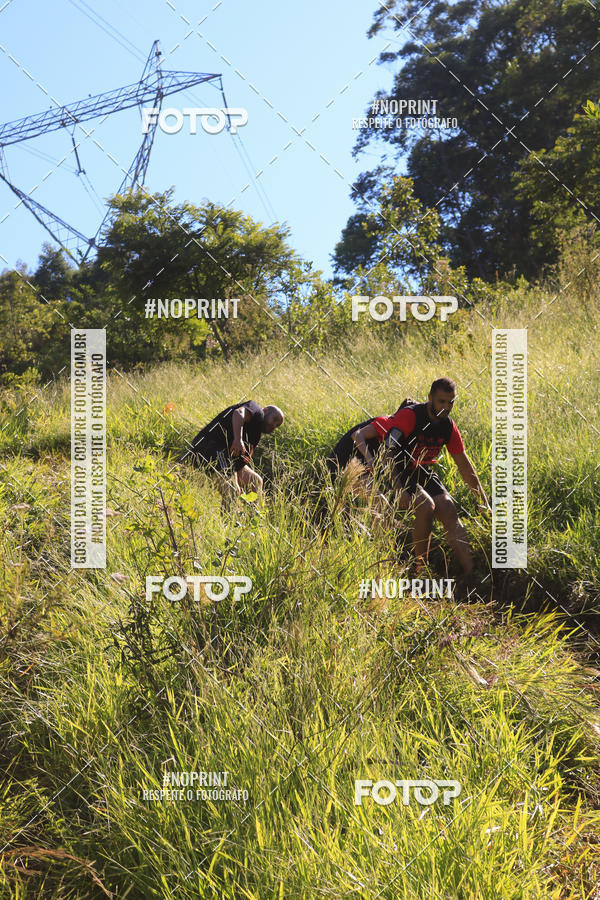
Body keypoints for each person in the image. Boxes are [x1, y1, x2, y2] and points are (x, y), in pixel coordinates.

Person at [350, 378, 490, 574]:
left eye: (451, 402)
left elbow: (465, 466)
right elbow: (387, 453)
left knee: (448, 508)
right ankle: (420, 570)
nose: (446, 407)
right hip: (396, 467)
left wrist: (484, 502)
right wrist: (398, 488)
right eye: (441, 401)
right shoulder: (410, 417)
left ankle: (473, 574)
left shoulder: (448, 426)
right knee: (425, 505)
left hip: (421, 468)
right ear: (430, 398)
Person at [188, 400, 283, 494]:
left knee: (256, 482)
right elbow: (238, 413)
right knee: (232, 489)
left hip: (226, 457)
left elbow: (238, 462)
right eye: (274, 419)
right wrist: (238, 439)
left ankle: (250, 509)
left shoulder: (255, 433)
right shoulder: (256, 410)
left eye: (277, 425)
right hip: (209, 447)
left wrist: (237, 481)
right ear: (266, 410)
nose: (274, 425)